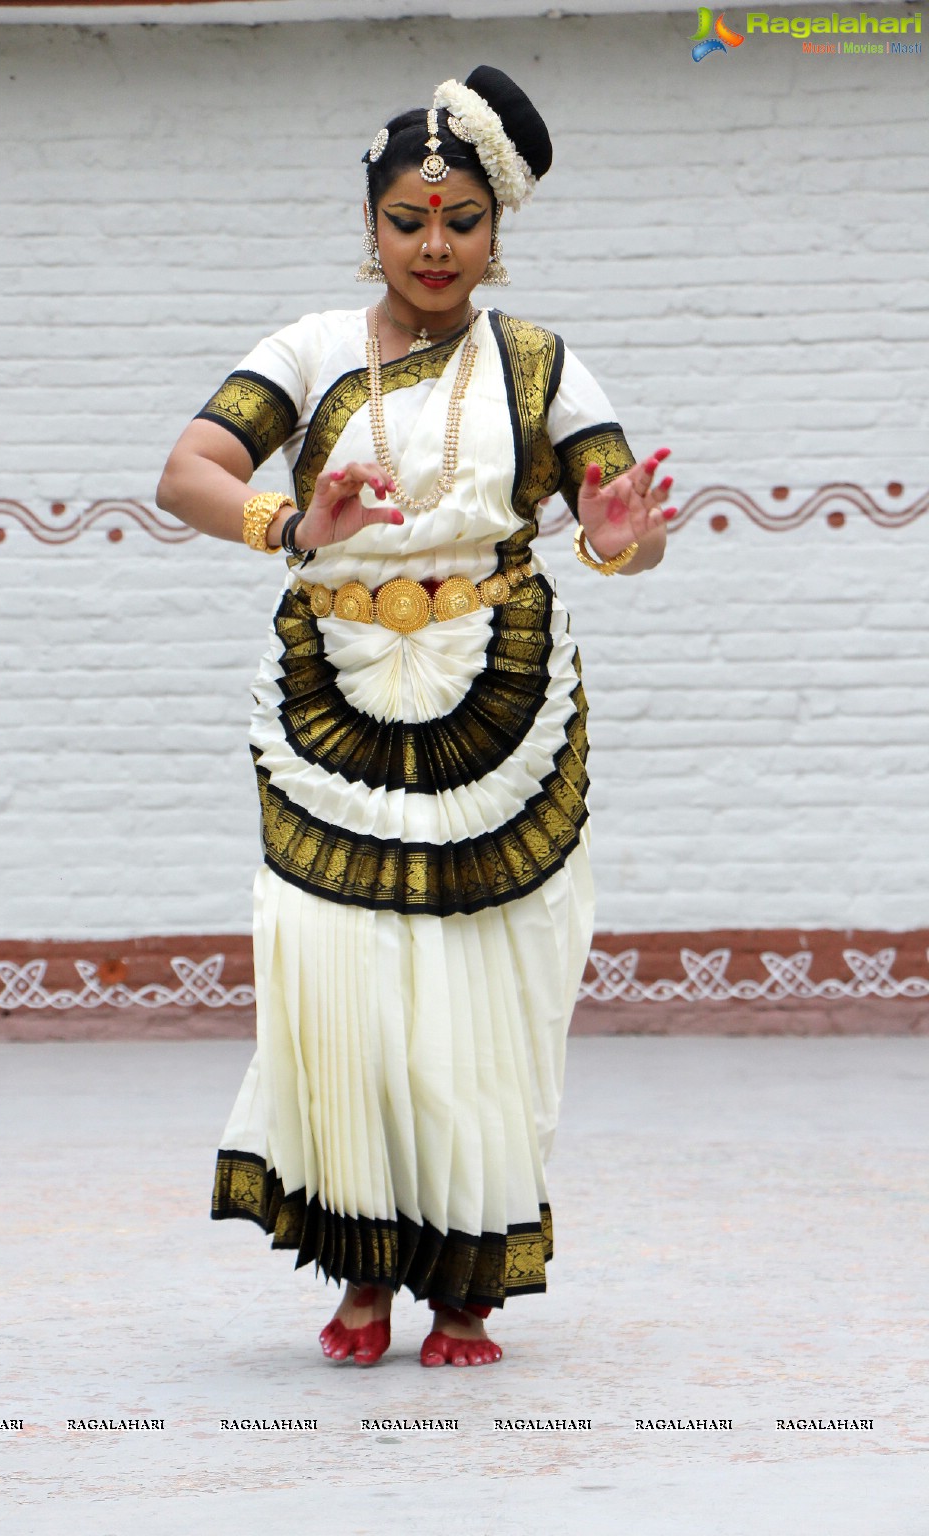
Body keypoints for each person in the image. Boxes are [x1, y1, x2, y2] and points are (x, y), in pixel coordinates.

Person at [157, 65, 674, 1369]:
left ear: (498, 229)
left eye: (459, 219)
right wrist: (291, 521)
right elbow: (189, 472)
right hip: (335, 703)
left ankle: (462, 1289)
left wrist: (622, 542)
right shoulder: (310, 353)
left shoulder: (543, 364)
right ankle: (361, 1275)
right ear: (372, 227)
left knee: (478, 994)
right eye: (407, 218)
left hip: (497, 700)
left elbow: (621, 520)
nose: (433, 245)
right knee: (341, 987)